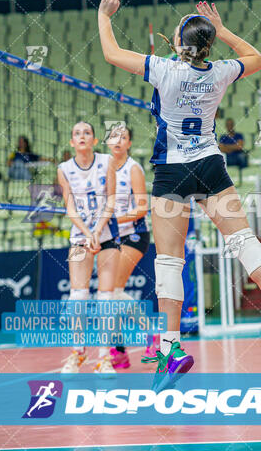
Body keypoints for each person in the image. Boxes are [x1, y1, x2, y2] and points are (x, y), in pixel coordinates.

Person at [98, 0, 261, 390]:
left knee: (169, 262)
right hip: (210, 165)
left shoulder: (163, 69)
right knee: (244, 240)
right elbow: (257, 59)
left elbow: (111, 52)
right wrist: (224, 30)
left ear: (180, 42)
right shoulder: (219, 71)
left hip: (172, 173)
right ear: (207, 43)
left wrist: (103, 14)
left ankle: (172, 349)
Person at [57, 121, 119, 374]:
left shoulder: (107, 161)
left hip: (106, 233)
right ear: (72, 142)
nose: (82, 136)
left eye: (87, 133)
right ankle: (77, 353)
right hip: (80, 234)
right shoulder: (64, 169)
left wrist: (97, 231)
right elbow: (69, 207)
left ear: (94, 140)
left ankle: (104, 359)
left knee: (106, 298)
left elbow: (111, 199)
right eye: (77, 133)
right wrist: (86, 233)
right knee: (78, 296)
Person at [106, 125, 158, 368]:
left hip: (134, 235)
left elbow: (142, 208)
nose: (117, 141)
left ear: (128, 143)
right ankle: (120, 351)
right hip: (111, 237)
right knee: (109, 295)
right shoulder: (101, 169)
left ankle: (151, 335)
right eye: (113, 137)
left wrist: (114, 219)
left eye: (123, 137)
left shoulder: (133, 169)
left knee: (113, 290)